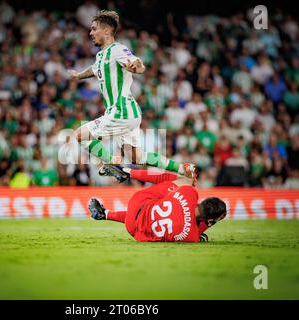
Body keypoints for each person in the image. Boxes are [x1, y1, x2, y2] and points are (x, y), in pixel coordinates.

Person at [68, 10, 195, 179]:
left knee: (79, 135)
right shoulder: (101, 56)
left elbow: (136, 63)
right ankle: (182, 168)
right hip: (127, 112)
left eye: (94, 29)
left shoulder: (118, 49)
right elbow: (95, 68)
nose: (90, 33)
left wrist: (137, 67)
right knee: (136, 157)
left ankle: (111, 162)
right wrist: (79, 75)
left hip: (122, 110)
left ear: (106, 31)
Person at [88, 166, 226, 242]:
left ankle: (127, 172)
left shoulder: (190, 193)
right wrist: (213, 222)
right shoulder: (192, 236)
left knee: (183, 181)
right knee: (150, 218)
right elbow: (200, 228)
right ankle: (105, 214)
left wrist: (186, 172)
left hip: (138, 203)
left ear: (202, 201)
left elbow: (186, 179)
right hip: (134, 231)